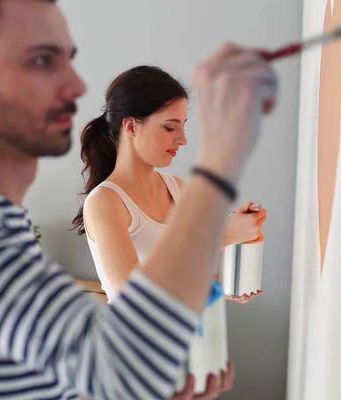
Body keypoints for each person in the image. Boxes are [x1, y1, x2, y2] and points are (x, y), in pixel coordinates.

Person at [0, 1, 277, 399]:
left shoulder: (0, 221)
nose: (76, 85)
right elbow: (122, 368)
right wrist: (218, 165)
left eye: (68, 60)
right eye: (42, 60)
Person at [73, 65, 268, 399]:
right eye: (169, 127)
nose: (183, 139)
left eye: (184, 126)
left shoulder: (178, 189)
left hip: (189, 354)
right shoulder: (105, 202)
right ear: (131, 126)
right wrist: (221, 237)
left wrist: (229, 281)